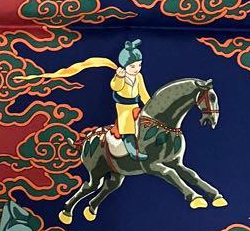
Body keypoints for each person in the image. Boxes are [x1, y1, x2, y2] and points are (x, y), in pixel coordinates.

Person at [20, 39, 151, 161]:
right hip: (123, 108)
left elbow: (143, 94)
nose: (136, 69)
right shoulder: (119, 77)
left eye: (139, 65)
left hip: (135, 106)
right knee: (127, 128)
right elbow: (115, 87)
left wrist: (150, 105)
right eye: (132, 66)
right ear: (124, 66)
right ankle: (133, 152)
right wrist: (120, 77)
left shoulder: (138, 77)